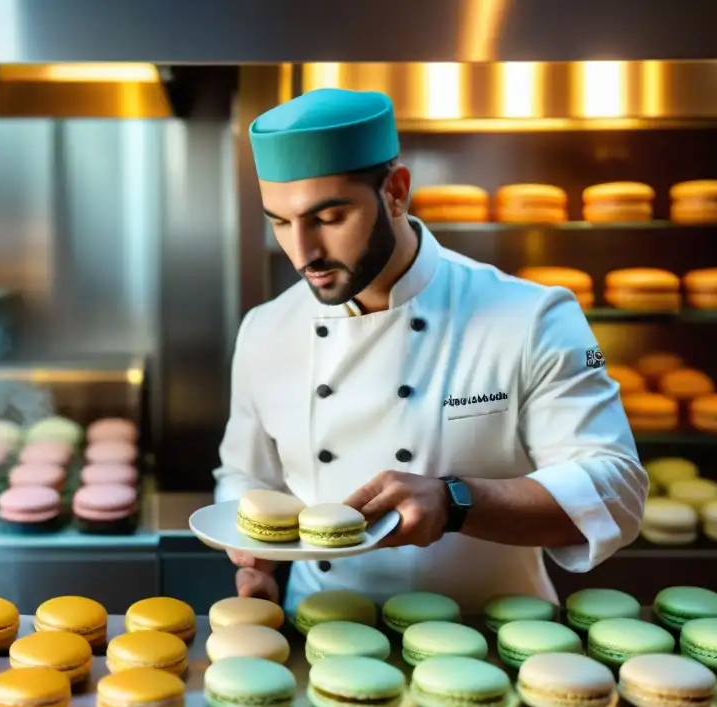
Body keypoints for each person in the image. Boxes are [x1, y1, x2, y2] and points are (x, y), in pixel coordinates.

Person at [213, 88, 648, 614]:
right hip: (324, 631)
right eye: (280, 222)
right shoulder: (266, 329)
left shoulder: (531, 317)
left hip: (493, 637)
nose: (303, 253)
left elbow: (616, 488)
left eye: (327, 219)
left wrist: (456, 502)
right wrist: (256, 564)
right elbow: (247, 478)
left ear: (395, 191)